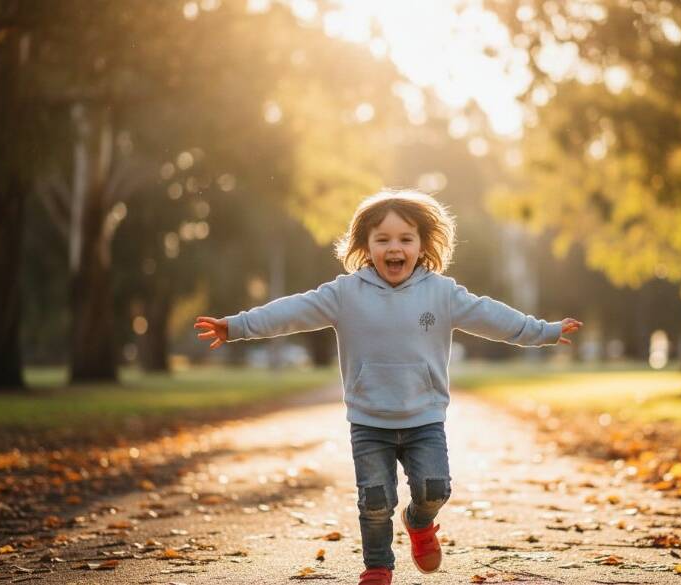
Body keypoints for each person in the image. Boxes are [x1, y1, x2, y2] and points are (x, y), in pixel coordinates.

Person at [194, 190, 582, 585]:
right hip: (369, 420)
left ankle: (418, 522)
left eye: (405, 239)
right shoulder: (344, 294)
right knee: (375, 500)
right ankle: (378, 566)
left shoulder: (442, 292)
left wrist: (543, 332)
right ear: (365, 246)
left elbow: (492, 316)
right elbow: (291, 311)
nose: (394, 248)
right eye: (382, 240)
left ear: (422, 245)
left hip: (425, 418)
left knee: (435, 489)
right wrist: (237, 326)